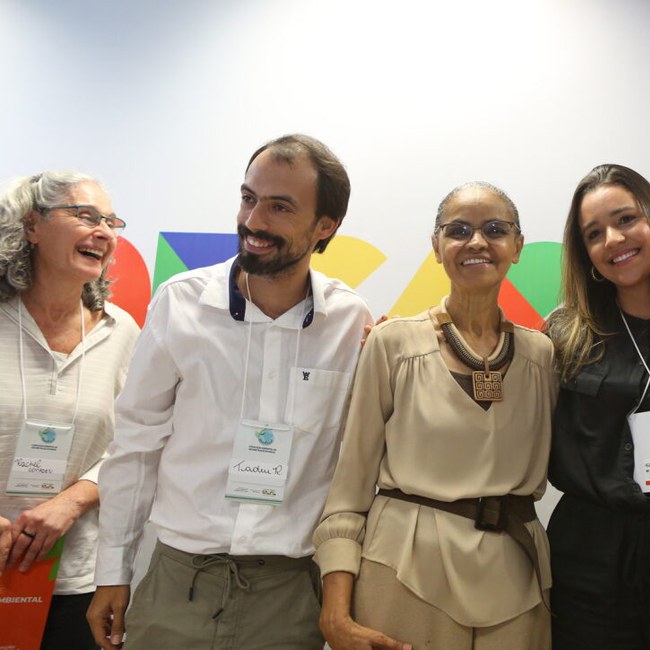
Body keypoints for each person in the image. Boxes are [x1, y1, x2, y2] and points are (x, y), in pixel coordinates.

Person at [86, 134, 372, 650]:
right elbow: (136, 445)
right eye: (248, 198)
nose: (254, 221)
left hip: (289, 595)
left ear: (326, 225)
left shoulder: (349, 322)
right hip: (177, 584)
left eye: (280, 207)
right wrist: (114, 570)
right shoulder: (181, 303)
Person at [315, 181, 557, 650]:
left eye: (495, 229)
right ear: (436, 247)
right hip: (405, 571)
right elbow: (348, 490)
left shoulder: (541, 356)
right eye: (459, 230)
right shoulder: (393, 345)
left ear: (518, 246)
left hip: (518, 577)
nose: (477, 242)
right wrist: (336, 610)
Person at [545, 164, 650, 649]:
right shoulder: (564, 333)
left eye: (625, 220)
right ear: (587, 255)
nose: (613, 239)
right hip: (587, 551)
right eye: (594, 234)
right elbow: (489, 371)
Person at [0, 171, 139, 649]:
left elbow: (135, 442)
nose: (105, 232)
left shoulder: (122, 332)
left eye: (111, 222)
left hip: (75, 577)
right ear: (31, 226)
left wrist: (73, 500)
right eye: (85, 216)